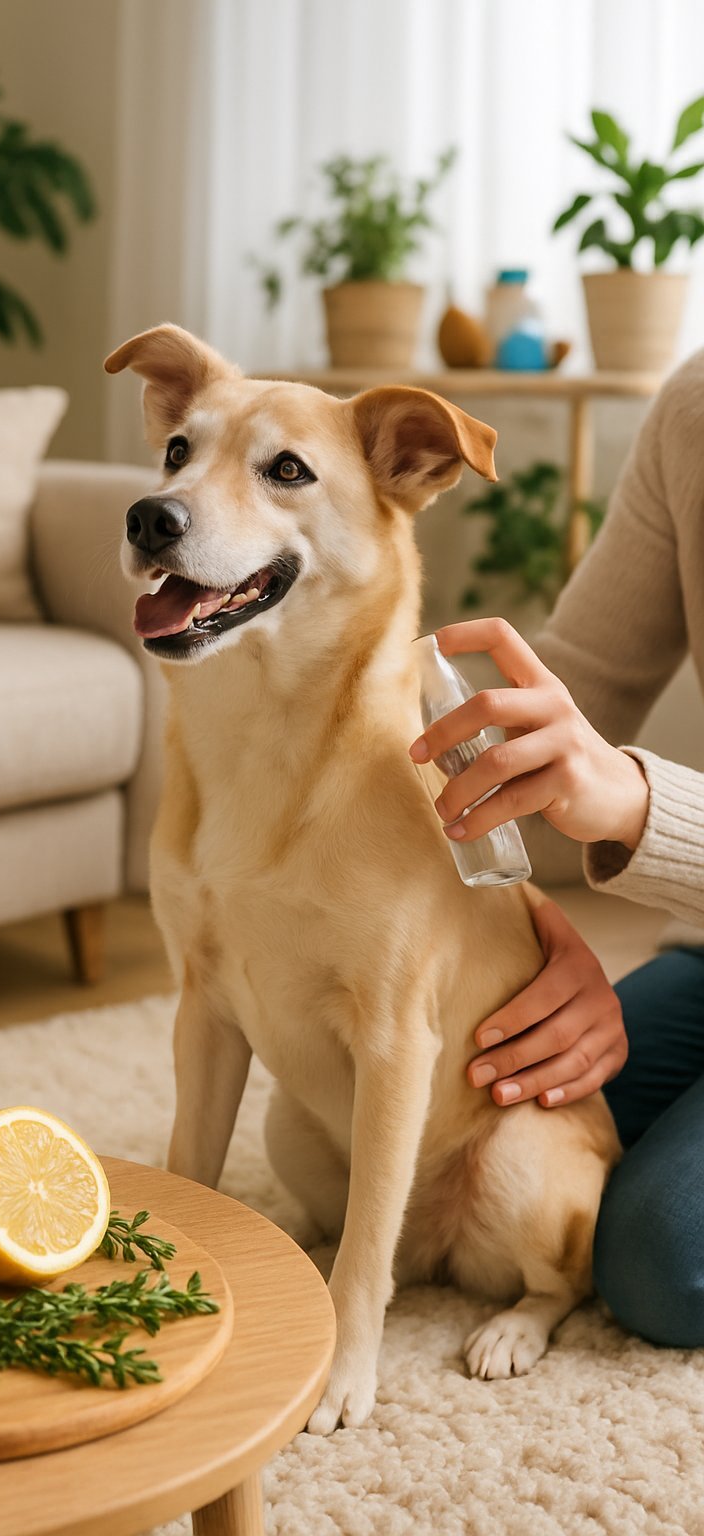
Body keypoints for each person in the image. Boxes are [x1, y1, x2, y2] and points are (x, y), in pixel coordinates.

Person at [407, 350, 704, 1349]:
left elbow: (614, 793)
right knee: (483, 1110)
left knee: (665, 1263)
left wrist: (634, 806)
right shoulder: (694, 405)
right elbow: (572, 689)